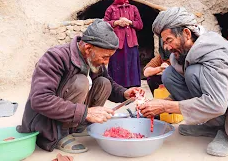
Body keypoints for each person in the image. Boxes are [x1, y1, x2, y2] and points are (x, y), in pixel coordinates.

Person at [138, 7, 228, 157]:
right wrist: (159, 104)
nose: (166, 47)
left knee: (194, 73)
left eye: (169, 40)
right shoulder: (182, 53)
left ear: (186, 34)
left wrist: (164, 106)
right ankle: (213, 125)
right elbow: (185, 89)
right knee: (169, 74)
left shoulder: (214, 52)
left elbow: (217, 103)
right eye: (164, 42)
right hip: (221, 100)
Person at [17, 19, 144, 154]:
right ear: (88, 48)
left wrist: (125, 93)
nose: (106, 62)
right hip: (47, 124)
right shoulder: (55, 57)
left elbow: (109, 82)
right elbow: (40, 99)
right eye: (105, 57)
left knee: (103, 83)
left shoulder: (94, 60)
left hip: (74, 114)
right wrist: (87, 112)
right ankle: (62, 134)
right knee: (81, 81)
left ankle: (79, 127)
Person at [104, 0, 143, 88]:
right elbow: (104, 24)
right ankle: (117, 87)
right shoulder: (111, 8)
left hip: (131, 42)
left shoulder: (133, 8)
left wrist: (129, 22)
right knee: (117, 63)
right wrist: (117, 22)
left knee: (131, 64)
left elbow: (140, 25)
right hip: (117, 42)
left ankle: (132, 87)